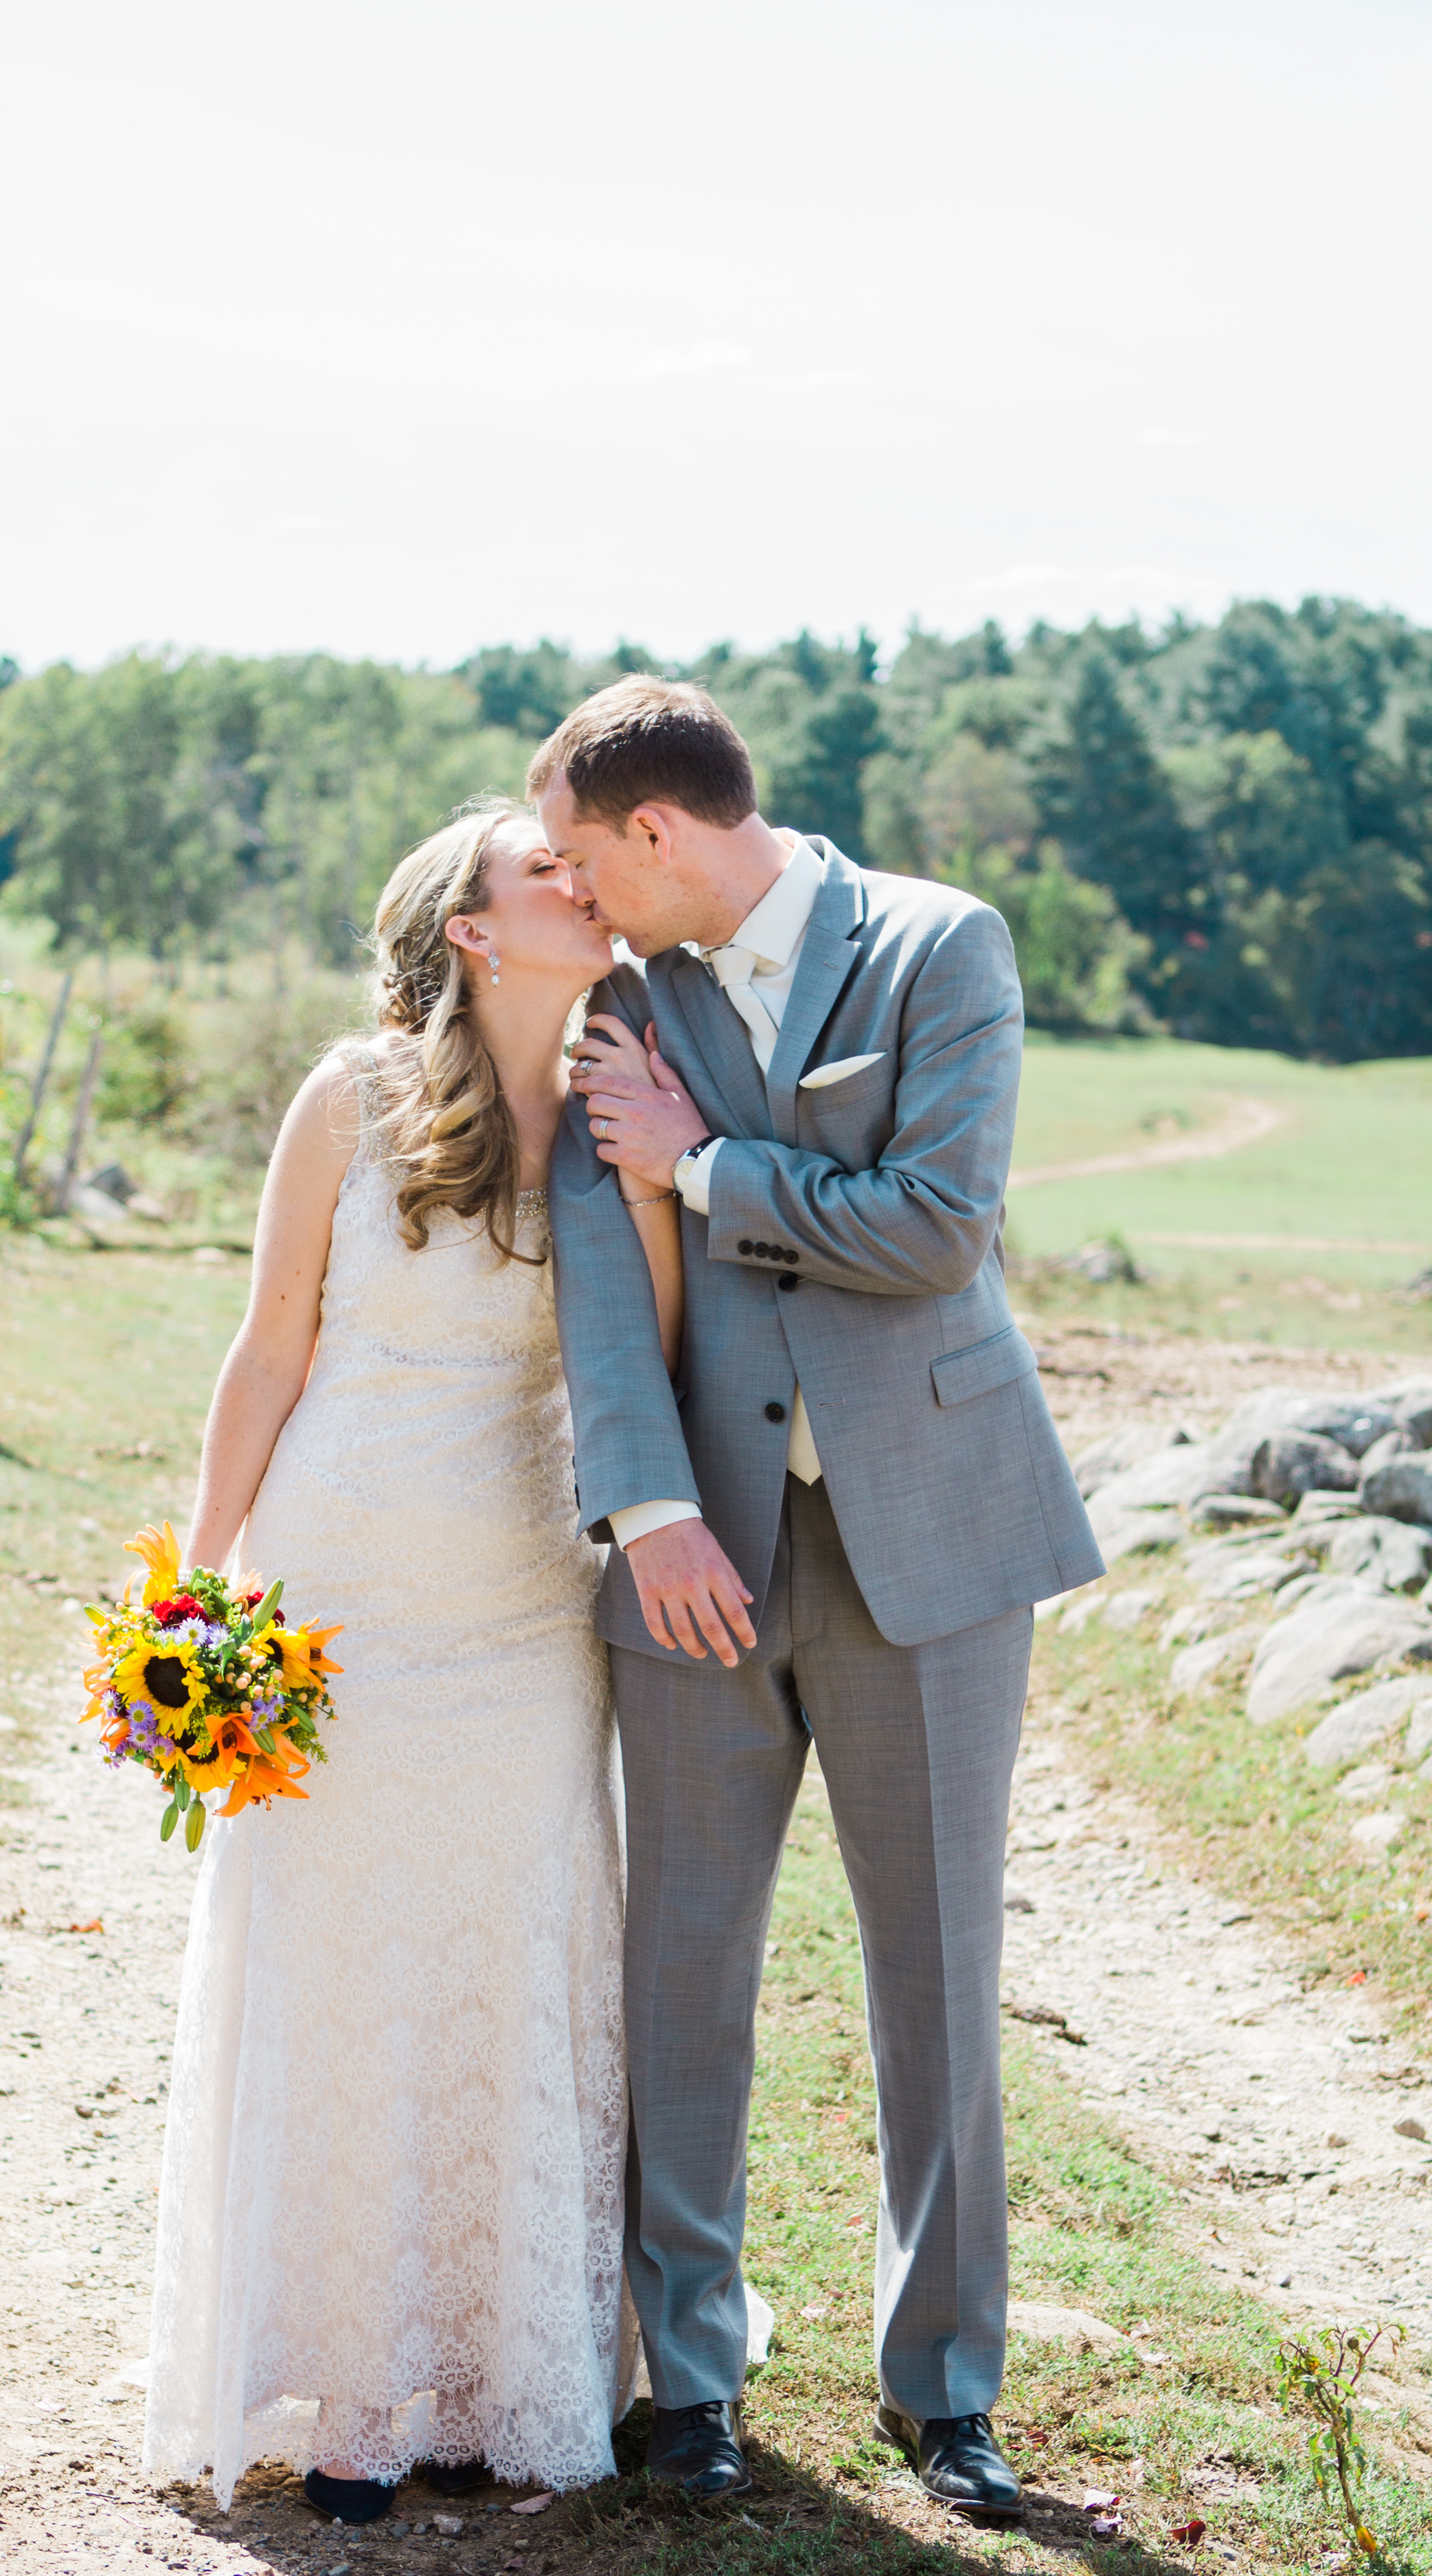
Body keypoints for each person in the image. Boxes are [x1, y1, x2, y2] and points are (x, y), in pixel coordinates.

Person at [536, 680, 1104, 2515]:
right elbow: (599, 1288)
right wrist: (645, 1508)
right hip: (698, 1552)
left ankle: (945, 2384)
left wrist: (701, 1165)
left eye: (583, 855)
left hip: (930, 1532)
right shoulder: (612, 998)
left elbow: (938, 1220)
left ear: (657, 836)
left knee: (935, 1965)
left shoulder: (944, 944)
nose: (572, 892)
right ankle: (684, 2372)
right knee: (677, 1971)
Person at [143, 800, 678, 2520]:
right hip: (343, 1586)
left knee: (511, 1943)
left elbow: (651, 1346)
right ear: (469, 926)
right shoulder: (346, 1098)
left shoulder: (619, 1101)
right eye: (551, 873)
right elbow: (269, 1343)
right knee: (346, 1962)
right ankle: (356, 2393)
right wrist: (196, 1579)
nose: (586, 887)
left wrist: (660, 1166)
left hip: (525, 1601)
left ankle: (491, 2371)